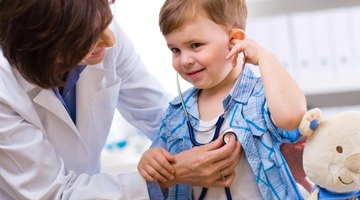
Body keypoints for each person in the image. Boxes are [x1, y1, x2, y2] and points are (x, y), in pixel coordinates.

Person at [0, 0, 242, 199]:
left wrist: (222, 140)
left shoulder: (98, 28)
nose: (110, 40)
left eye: (106, 21)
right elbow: (55, 194)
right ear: (45, 43)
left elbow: (161, 116)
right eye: (89, 37)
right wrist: (168, 173)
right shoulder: (5, 88)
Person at [137, 0, 308, 199]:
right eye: (175, 50)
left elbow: (292, 117)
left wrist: (264, 57)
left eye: (195, 45)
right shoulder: (176, 112)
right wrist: (149, 160)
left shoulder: (261, 96)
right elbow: (158, 166)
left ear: (234, 41)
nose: (184, 60)